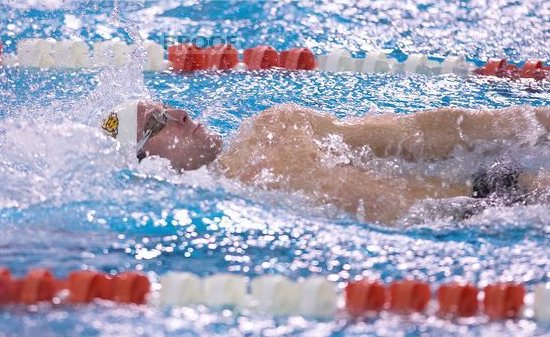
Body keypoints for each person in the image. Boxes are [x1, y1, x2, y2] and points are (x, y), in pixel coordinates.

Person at [100, 100, 550, 223]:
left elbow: (411, 133)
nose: (180, 115)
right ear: (144, 164)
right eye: (158, 123)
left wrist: (529, 122)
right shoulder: (241, 187)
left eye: (168, 108)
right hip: (497, 204)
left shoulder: (275, 125)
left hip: (497, 194)